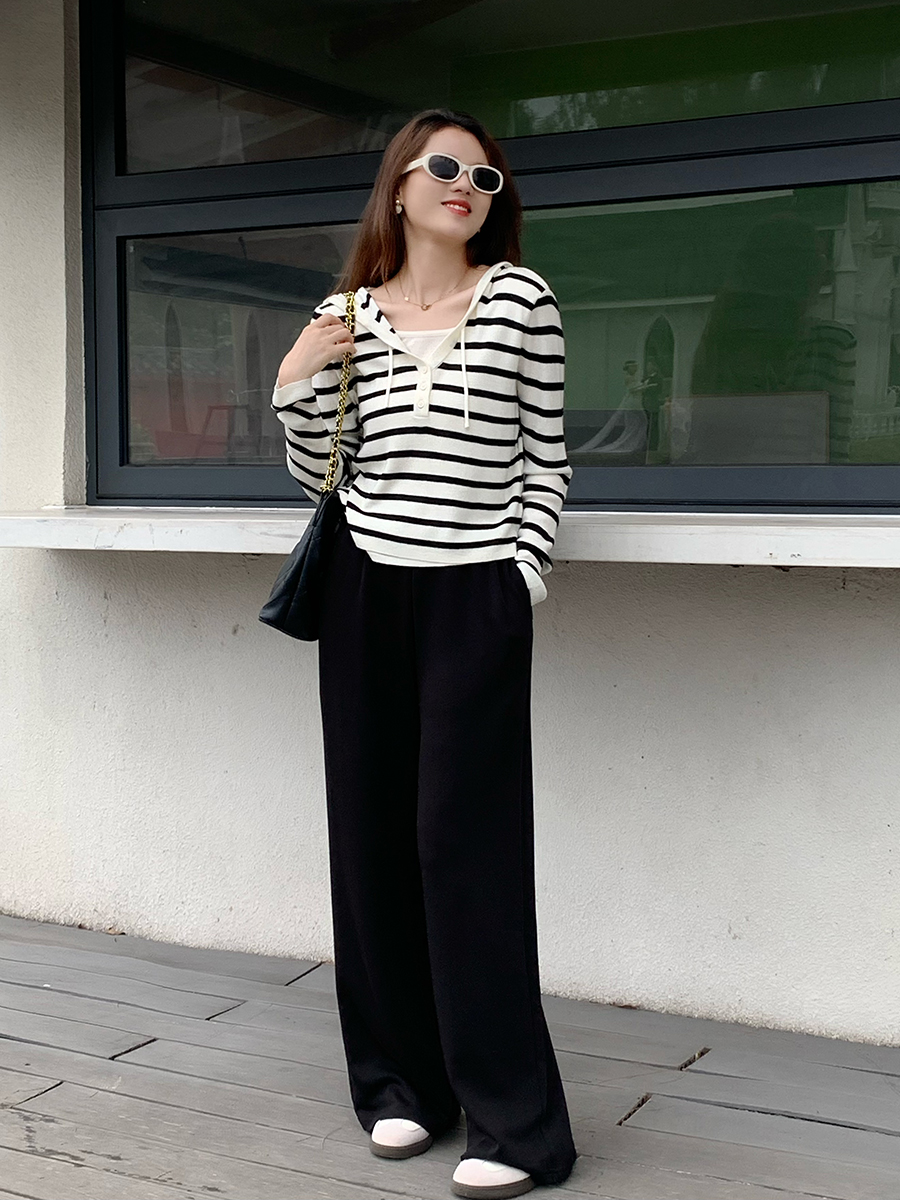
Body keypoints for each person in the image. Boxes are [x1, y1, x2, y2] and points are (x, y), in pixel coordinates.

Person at [271, 107, 577, 1198]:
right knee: (370, 838)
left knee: (466, 848)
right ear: (398, 185)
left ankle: (515, 1122)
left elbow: (547, 460)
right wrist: (295, 377)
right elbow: (323, 469)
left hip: (473, 594)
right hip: (365, 588)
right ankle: (400, 1084)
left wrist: (519, 573)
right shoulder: (345, 313)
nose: (465, 187)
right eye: (445, 168)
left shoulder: (521, 301)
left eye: (485, 179)